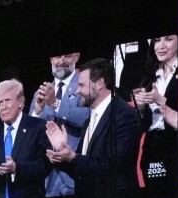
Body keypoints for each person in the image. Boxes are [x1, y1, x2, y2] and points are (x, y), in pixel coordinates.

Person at [45, 58, 142, 191]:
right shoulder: (90, 120)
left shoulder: (124, 115)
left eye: (82, 85)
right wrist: (62, 158)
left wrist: (73, 157)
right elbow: (83, 170)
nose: (77, 91)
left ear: (100, 84)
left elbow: (113, 167)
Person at [0, 79, 50, 198]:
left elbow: (46, 165)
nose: (3, 107)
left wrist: (17, 168)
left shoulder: (38, 127)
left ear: (20, 103)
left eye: (8, 101)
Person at [30, 53, 90, 197]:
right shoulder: (39, 94)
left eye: (67, 56)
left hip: (76, 175)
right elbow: (30, 138)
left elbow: (87, 120)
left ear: (76, 57)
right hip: (48, 180)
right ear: (51, 60)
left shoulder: (85, 86)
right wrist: (36, 113)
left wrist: (55, 104)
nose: (61, 61)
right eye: (57, 57)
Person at [131, 34, 178, 190]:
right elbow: (143, 121)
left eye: (168, 39)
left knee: (176, 194)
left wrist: (160, 99)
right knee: (154, 197)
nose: (161, 46)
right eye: (157, 41)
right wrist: (140, 106)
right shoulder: (150, 75)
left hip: (176, 143)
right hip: (152, 145)